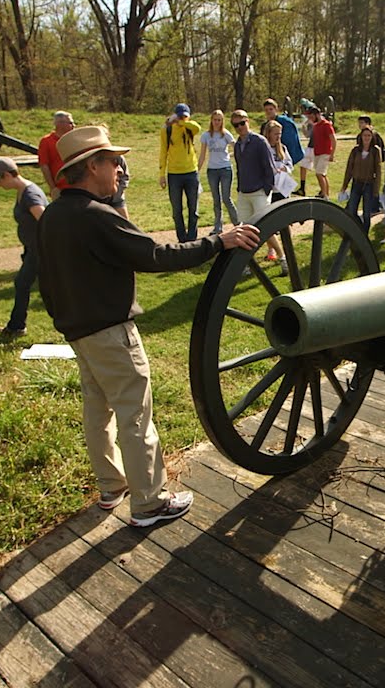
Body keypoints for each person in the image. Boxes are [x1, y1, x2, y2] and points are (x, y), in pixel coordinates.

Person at [36, 125, 261, 527]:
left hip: (79, 333)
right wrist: (218, 242)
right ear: (91, 167)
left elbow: (45, 278)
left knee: (98, 411)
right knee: (135, 415)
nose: (120, 170)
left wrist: (65, 323)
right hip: (110, 331)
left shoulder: (54, 215)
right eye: (112, 162)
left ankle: (113, 485)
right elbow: (156, 255)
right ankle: (150, 503)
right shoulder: (96, 216)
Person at [0, 157, 46, 337]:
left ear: (6, 175)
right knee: (37, 287)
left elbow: (45, 221)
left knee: (24, 284)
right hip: (33, 249)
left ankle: (17, 326)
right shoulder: (23, 192)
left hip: (40, 250)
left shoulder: (30, 195)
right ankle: (16, 325)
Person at [159, 103, 203, 242]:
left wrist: (181, 122)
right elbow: (163, 152)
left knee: (193, 209)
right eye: (180, 116)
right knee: (177, 211)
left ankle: (192, 238)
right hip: (174, 174)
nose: (182, 118)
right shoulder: (167, 130)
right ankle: (182, 239)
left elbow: (197, 128)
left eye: (185, 116)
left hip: (191, 172)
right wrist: (162, 175)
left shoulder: (190, 127)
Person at [197, 109, 239, 235]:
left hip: (225, 168)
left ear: (222, 121)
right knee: (216, 199)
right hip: (212, 170)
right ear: (211, 120)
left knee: (226, 198)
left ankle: (237, 223)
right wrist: (197, 170)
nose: (217, 122)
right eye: (215, 120)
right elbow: (203, 155)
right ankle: (218, 226)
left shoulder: (225, 134)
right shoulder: (206, 136)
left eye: (219, 120)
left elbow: (236, 147)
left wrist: (231, 155)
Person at [231, 110, 275, 228]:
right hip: (244, 192)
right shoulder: (237, 145)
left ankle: (275, 248)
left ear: (248, 122)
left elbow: (269, 167)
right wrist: (240, 189)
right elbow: (239, 168)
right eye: (236, 125)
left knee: (264, 226)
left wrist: (266, 190)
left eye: (242, 123)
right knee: (245, 228)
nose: (239, 127)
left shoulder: (259, 141)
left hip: (259, 192)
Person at [261, 119, 292, 275]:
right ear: (269, 134)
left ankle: (287, 248)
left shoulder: (283, 148)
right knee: (270, 221)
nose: (278, 137)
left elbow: (290, 165)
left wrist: (283, 168)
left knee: (285, 220)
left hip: (282, 188)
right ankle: (272, 250)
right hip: (269, 190)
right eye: (276, 134)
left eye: (280, 134)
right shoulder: (264, 148)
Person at [340, 128, 382, 234]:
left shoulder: (375, 151)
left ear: (372, 137)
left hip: (369, 184)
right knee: (351, 210)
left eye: (369, 135)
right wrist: (345, 185)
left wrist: (376, 190)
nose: (366, 138)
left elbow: (378, 171)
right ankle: (359, 230)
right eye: (365, 135)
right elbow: (349, 168)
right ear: (361, 136)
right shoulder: (355, 150)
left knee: (367, 213)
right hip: (356, 183)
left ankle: (365, 235)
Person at [297, 106, 336, 198]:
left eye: (311, 117)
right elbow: (308, 135)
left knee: (319, 173)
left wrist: (332, 154)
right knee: (322, 174)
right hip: (317, 153)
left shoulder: (326, 124)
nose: (310, 119)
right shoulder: (316, 126)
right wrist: (303, 127)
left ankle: (324, 195)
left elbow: (333, 139)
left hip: (325, 153)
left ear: (317, 115)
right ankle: (325, 193)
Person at [263, 98, 305, 180]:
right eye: (266, 110)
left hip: (282, 156)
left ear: (276, 109)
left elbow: (290, 141)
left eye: (271, 109)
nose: (268, 112)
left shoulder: (285, 122)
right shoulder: (265, 125)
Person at [38, 111, 75, 199]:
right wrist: (53, 188)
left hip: (78, 186)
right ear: (59, 124)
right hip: (61, 188)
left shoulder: (74, 139)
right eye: (70, 123)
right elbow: (44, 165)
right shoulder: (46, 141)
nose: (74, 125)